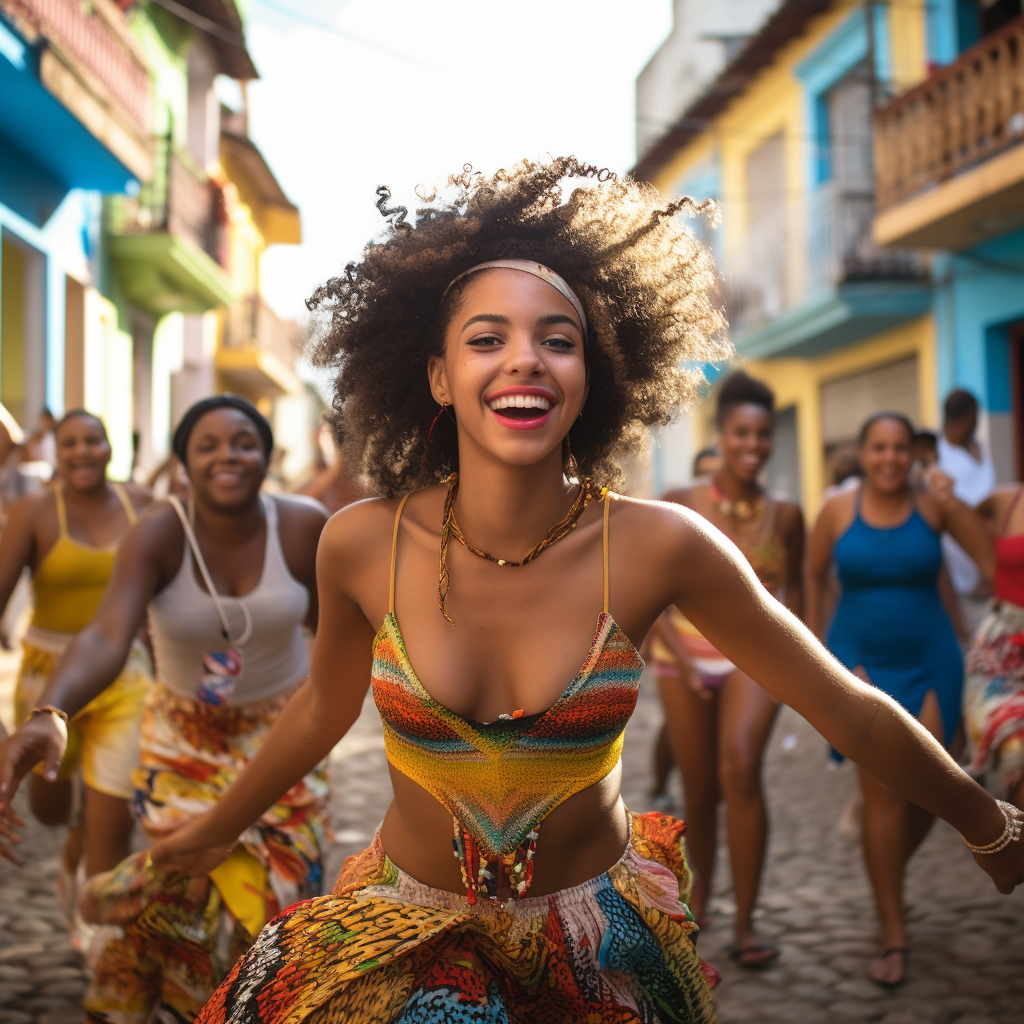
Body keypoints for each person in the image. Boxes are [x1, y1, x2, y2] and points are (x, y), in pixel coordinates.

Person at [8, 160, 1022, 1022]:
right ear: (439, 376)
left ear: (594, 373)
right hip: (407, 936)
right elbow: (322, 706)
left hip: (600, 949)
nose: (523, 359)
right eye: (486, 337)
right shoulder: (362, 544)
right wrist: (219, 820)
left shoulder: (661, 546)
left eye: (558, 337)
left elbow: (839, 699)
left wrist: (989, 823)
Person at [0, 395, 329, 1023]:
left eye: (243, 442)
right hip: (181, 741)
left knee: (282, 894)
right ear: (181, 463)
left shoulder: (301, 524)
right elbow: (105, 635)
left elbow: (341, 621)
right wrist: (51, 712)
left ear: (267, 456)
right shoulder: (157, 530)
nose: (226, 455)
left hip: (285, 735)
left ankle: (258, 1006)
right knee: (182, 895)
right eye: (207, 445)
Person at [806, 411, 995, 987]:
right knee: (886, 792)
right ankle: (894, 932)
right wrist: (818, 652)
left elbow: (992, 561)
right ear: (862, 454)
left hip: (932, 657)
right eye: (878, 448)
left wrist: (953, 497)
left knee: (933, 789)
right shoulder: (837, 509)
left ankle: (881, 857)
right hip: (860, 661)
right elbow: (813, 576)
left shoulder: (934, 503)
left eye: (900, 449)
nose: (890, 458)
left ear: (914, 454)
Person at [649, 371, 803, 967]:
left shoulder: (786, 515)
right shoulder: (681, 505)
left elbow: (798, 597)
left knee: (740, 771)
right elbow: (653, 593)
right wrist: (684, 661)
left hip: (753, 663)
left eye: (763, 434)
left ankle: (744, 923)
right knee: (700, 790)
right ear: (723, 433)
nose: (754, 445)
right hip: (683, 661)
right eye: (742, 432)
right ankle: (701, 900)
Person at [0, 411, 152, 929]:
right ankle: (78, 842)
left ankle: (101, 946)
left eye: (94, 441)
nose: (83, 451)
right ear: (55, 453)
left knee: (114, 816)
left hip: (125, 675)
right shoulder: (33, 512)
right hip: (47, 678)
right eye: (70, 444)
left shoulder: (144, 506)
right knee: (51, 810)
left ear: (111, 448)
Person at [649, 445, 721, 810]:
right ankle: (660, 783)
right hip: (676, 652)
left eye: (716, 472)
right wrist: (686, 663)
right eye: (703, 472)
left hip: (719, 652)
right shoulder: (674, 520)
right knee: (673, 732)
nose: (711, 479)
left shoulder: (730, 523)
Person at [964, 484, 1024, 810]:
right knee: (1015, 754)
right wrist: (989, 566)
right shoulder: (1006, 501)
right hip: (1001, 654)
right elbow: (968, 518)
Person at [938, 390, 996, 635]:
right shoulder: (936, 455)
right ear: (972, 416)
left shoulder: (979, 448)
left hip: (989, 572)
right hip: (956, 577)